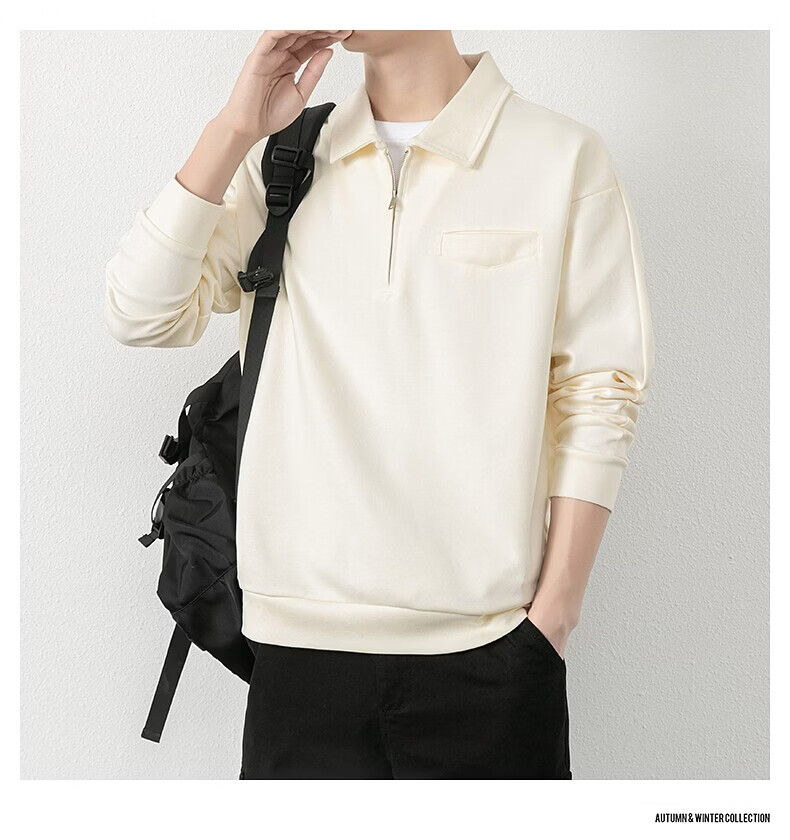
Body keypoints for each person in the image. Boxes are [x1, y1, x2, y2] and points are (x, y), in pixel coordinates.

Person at [105, 29, 654, 779]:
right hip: (296, 655)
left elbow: (598, 387)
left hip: (491, 655)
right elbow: (141, 313)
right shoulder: (283, 158)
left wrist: (555, 614)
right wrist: (233, 128)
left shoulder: (560, 157)